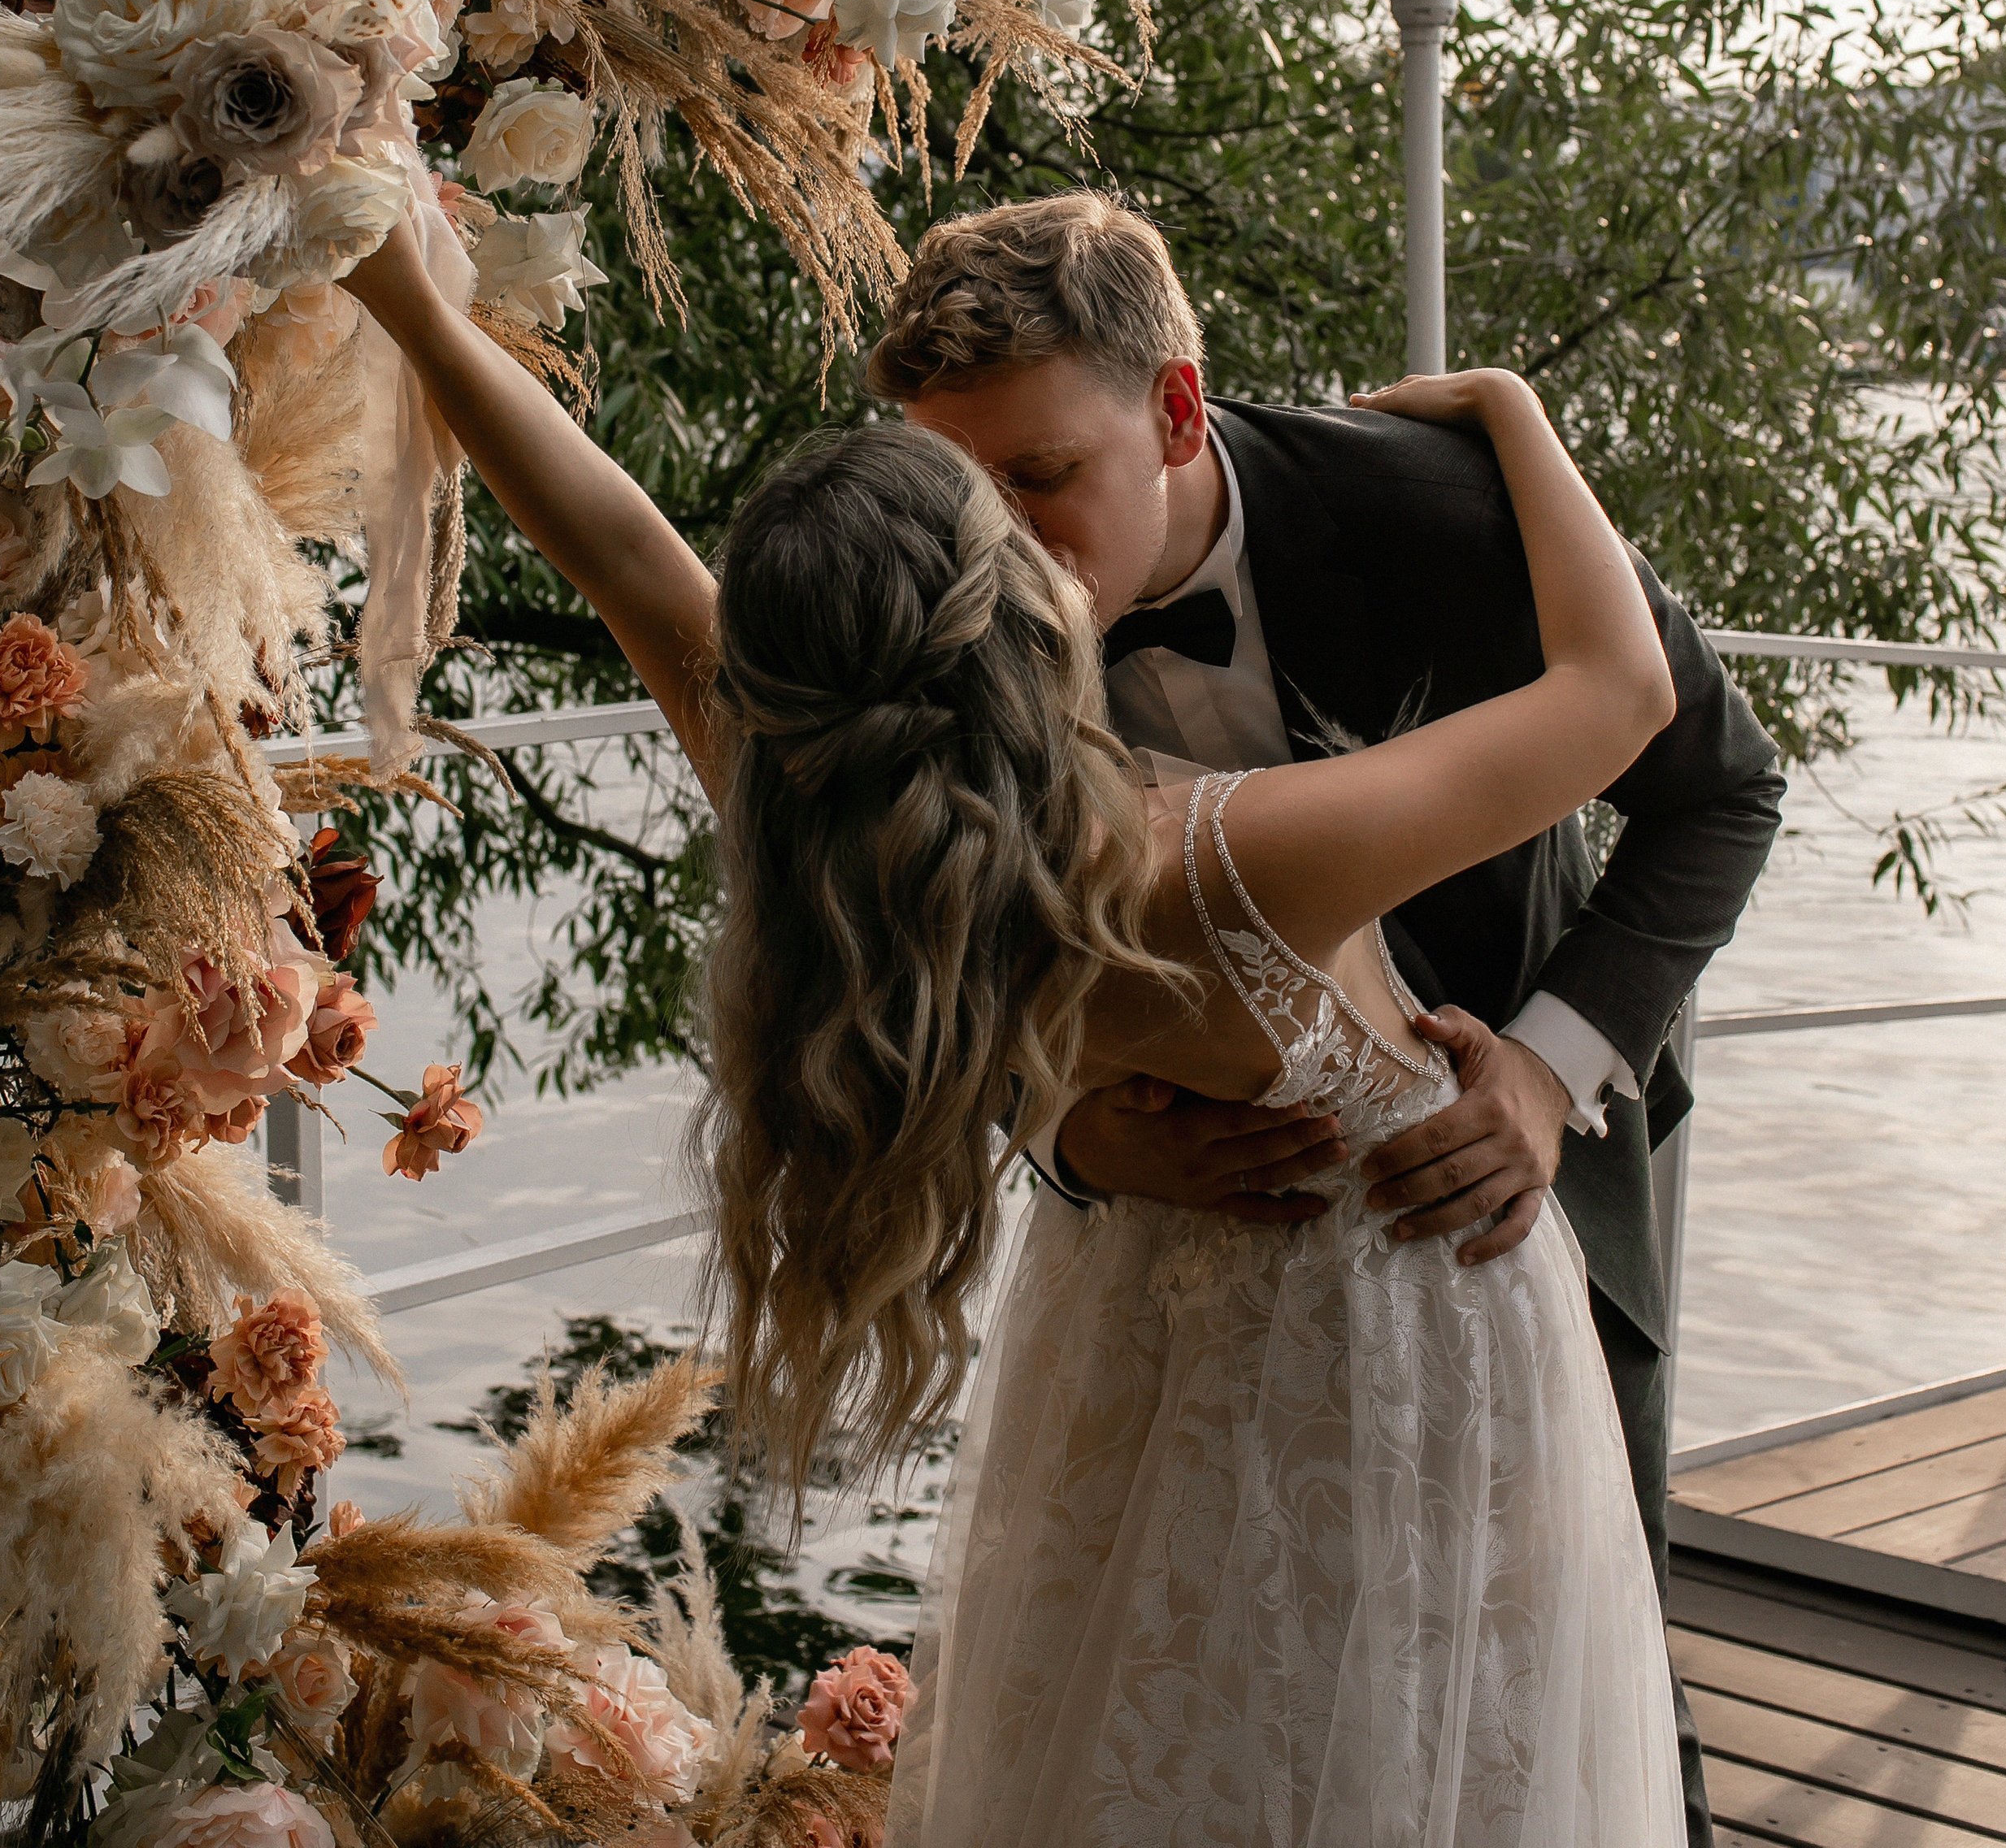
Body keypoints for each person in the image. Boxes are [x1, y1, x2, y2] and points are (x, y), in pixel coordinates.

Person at [350, 200, 1704, 1844]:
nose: (1039, 536)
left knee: (1140, 1736)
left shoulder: (814, 811)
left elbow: (625, 549)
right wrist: (1512, 412)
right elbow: (1619, 694)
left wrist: (423, 319)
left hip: (1125, 1322)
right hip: (1408, 1341)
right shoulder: (1223, 862)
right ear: (1002, 604)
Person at [868, 195, 1785, 1848]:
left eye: (1038, 475)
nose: (994, 543)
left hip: (1501, 1208)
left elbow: (1717, 788)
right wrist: (1060, 1125)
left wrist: (1546, 1068)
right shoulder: (945, 598)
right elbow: (931, 924)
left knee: (1574, 1689)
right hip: (1181, 1271)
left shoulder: (1441, 512)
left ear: (1171, 411)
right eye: (956, 486)